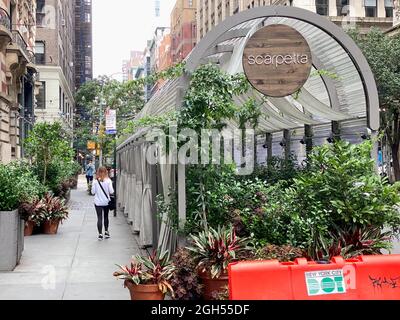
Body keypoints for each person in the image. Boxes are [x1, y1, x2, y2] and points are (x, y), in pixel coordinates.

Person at [91, 167, 114, 241]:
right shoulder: (108, 181)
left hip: (97, 202)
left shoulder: (95, 181)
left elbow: (93, 192)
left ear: (98, 172)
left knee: (99, 217)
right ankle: (106, 232)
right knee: (106, 217)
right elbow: (111, 191)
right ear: (106, 172)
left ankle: (100, 234)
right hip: (106, 202)